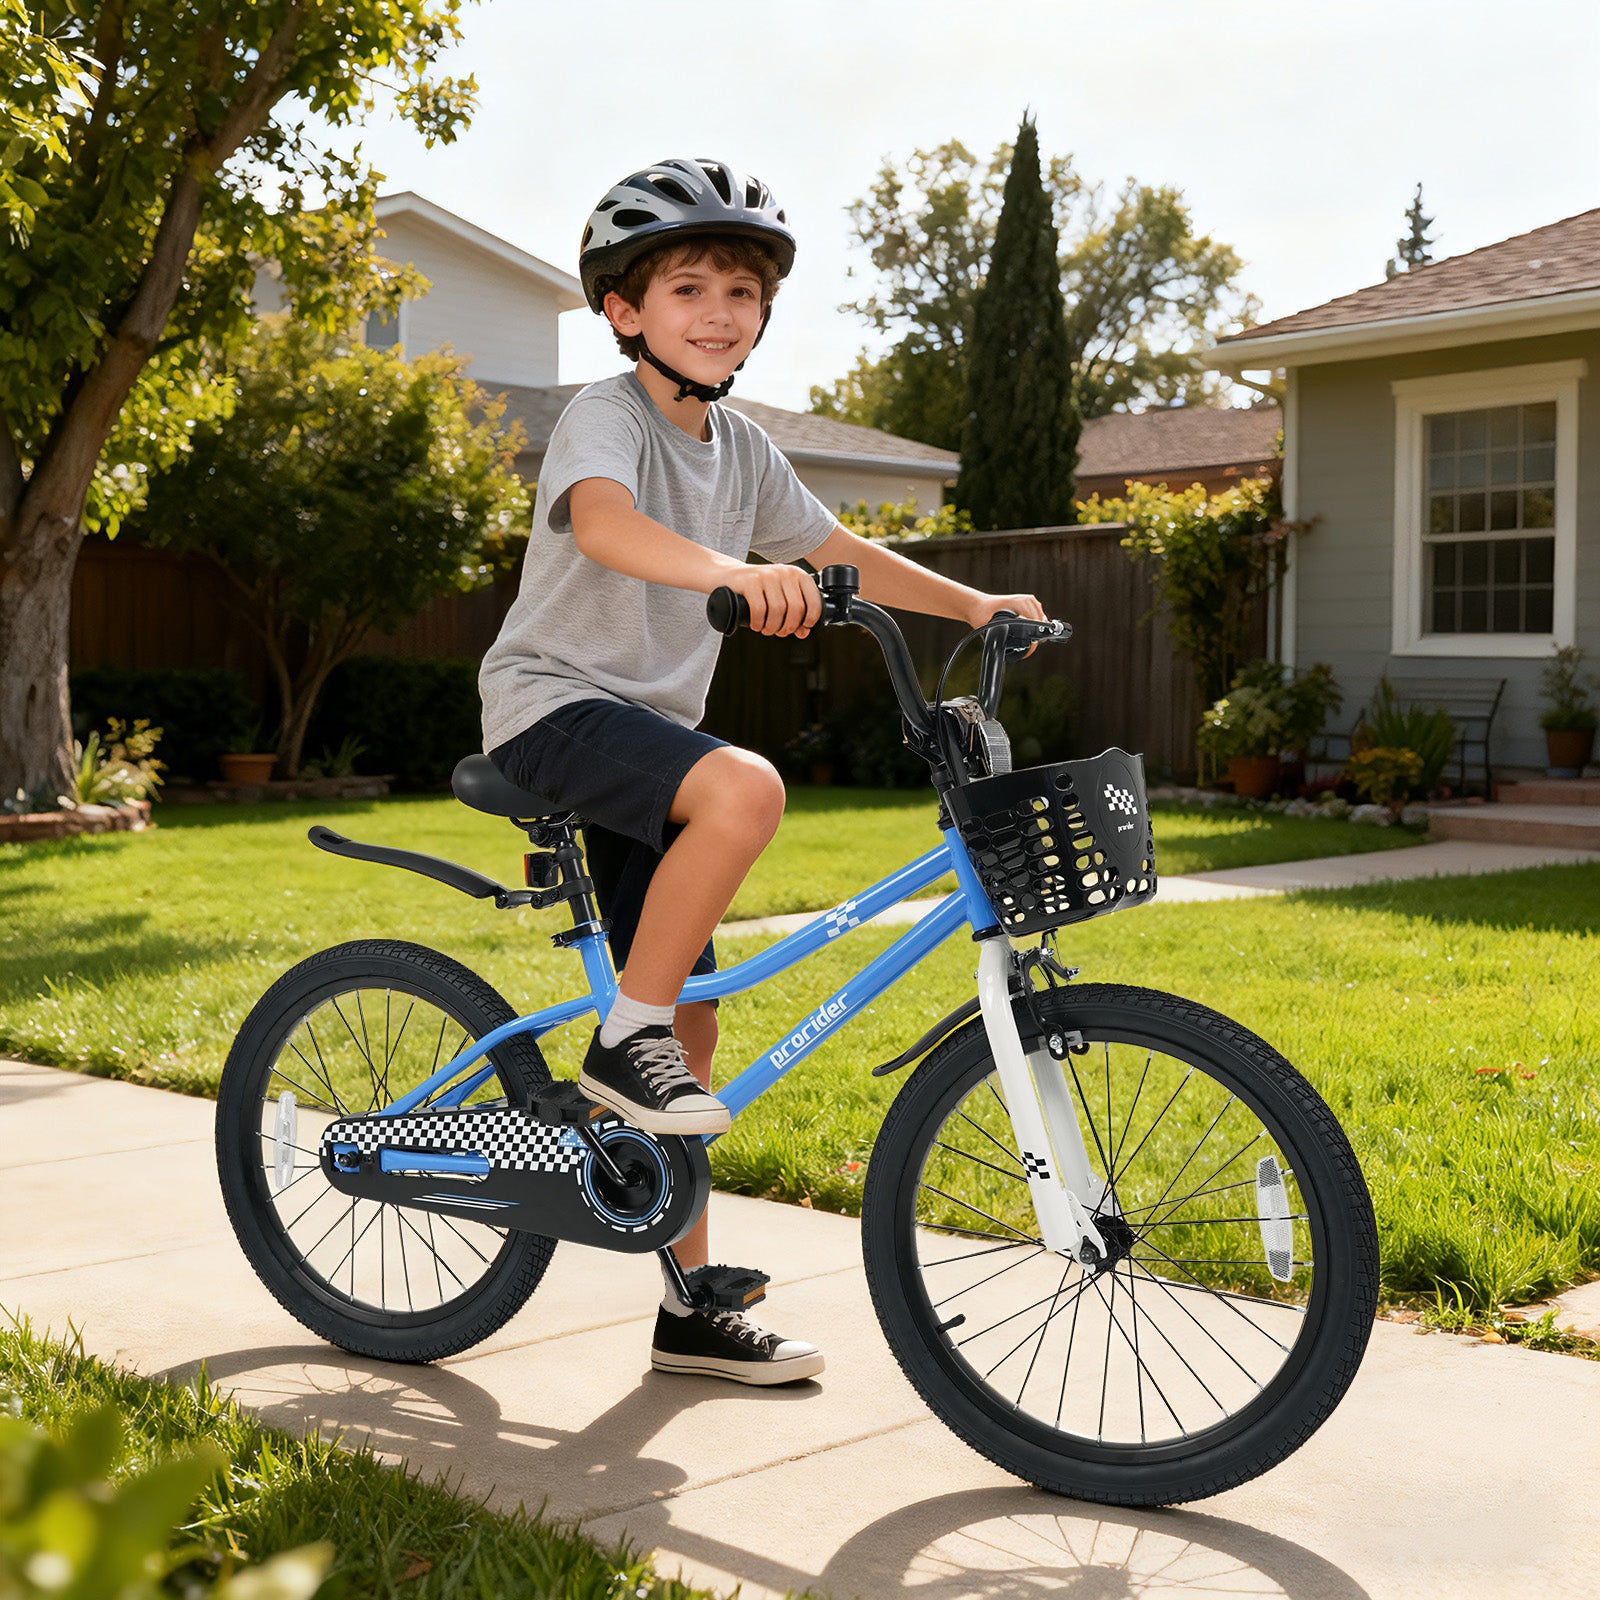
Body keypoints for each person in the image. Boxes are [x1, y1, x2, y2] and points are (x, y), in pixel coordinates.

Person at [480, 157, 1045, 1386]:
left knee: (691, 1022)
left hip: (644, 741)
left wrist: (973, 605)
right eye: (687, 287)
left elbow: (834, 546)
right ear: (624, 309)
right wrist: (729, 574)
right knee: (746, 789)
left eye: (741, 290)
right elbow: (604, 523)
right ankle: (619, 1035)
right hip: (551, 709)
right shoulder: (606, 416)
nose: (720, 310)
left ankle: (688, 1306)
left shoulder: (739, 447)